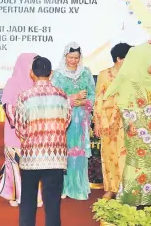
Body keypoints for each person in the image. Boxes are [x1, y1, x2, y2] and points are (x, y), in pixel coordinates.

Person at [104, 43, 151, 206]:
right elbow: (123, 106)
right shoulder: (130, 80)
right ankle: (133, 197)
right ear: (143, 62)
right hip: (137, 131)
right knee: (137, 164)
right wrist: (129, 124)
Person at [15, 56, 71, 226]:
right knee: (53, 204)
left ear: (31, 73)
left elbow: (20, 128)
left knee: (28, 202)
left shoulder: (25, 97)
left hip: (32, 157)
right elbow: (66, 121)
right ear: (51, 73)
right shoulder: (63, 96)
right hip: (56, 157)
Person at [0, 53, 43, 207]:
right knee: (14, 165)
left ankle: (35, 197)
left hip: (34, 134)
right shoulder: (12, 83)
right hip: (14, 132)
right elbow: (8, 107)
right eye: (32, 65)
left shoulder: (39, 83)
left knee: (33, 166)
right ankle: (15, 195)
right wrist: (21, 126)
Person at [51, 42, 95, 201]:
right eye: (71, 57)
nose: (73, 60)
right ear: (65, 57)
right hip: (64, 121)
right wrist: (71, 99)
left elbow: (93, 95)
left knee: (79, 154)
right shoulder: (57, 75)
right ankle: (63, 187)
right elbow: (53, 98)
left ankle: (78, 187)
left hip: (81, 121)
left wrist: (84, 102)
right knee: (64, 153)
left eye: (76, 57)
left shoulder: (86, 73)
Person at [94, 43, 132, 200]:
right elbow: (98, 99)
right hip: (107, 120)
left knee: (125, 155)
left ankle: (125, 188)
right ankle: (110, 188)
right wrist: (97, 122)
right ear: (118, 58)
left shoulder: (133, 75)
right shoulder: (104, 74)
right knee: (109, 155)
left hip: (127, 121)